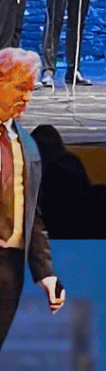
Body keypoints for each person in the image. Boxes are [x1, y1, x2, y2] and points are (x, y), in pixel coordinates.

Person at [0, 48, 65, 351]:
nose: (27, 97)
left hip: (9, 270)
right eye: (20, 88)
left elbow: (31, 214)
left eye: (31, 89)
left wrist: (46, 274)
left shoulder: (25, 144)